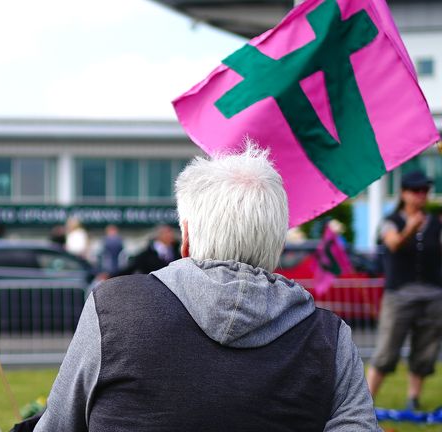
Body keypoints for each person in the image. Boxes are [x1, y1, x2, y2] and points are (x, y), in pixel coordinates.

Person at [33, 145, 377, 431]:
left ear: (186, 236)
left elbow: (59, 425)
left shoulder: (113, 309)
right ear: (277, 246)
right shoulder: (329, 338)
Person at [367, 170, 442, 411]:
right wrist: (411, 228)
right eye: (416, 190)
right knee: (386, 352)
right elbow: (394, 244)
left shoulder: (436, 223)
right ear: (403, 193)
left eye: (425, 190)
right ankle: (365, 402)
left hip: (432, 296)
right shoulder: (391, 221)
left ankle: (413, 399)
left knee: (424, 353)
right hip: (399, 297)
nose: (421, 195)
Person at [111, 224, 179, 276]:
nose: (170, 235)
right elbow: (131, 268)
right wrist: (111, 276)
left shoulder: (176, 251)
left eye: (170, 232)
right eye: (166, 233)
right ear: (159, 235)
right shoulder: (147, 254)